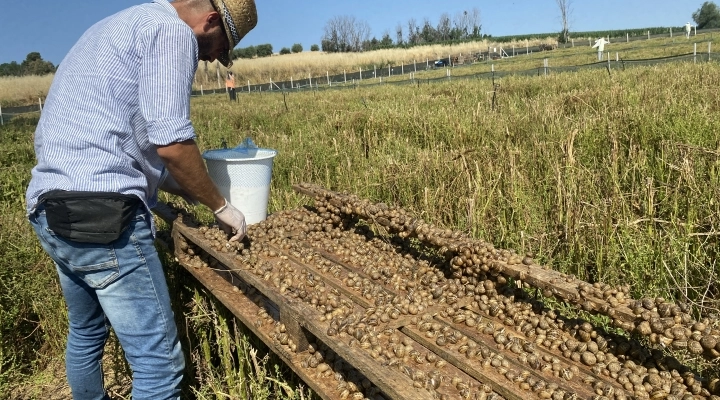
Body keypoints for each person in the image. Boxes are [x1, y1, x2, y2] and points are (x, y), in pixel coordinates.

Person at [24, 0, 257, 398]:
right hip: (105, 216)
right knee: (159, 368)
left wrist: (180, 189)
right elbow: (172, 143)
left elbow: (116, 146)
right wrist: (221, 206)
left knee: (86, 333)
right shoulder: (172, 33)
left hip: (51, 208)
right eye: (222, 46)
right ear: (212, 20)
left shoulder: (117, 25)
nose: (216, 57)